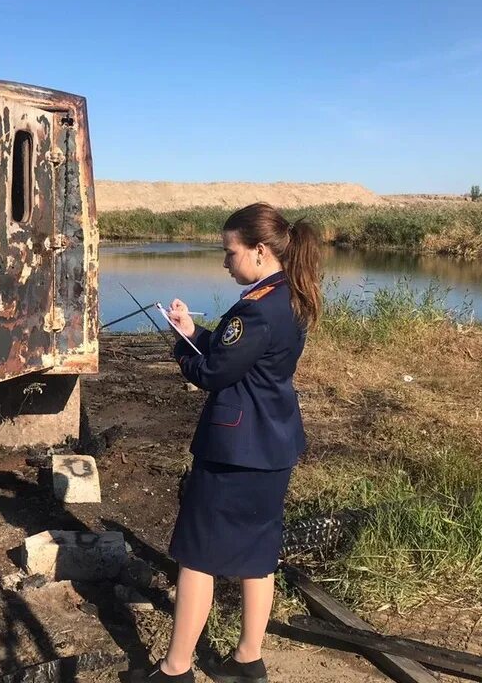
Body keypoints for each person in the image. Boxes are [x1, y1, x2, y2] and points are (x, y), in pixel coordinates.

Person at [144, 202, 322, 683]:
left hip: (235, 451)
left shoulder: (256, 308)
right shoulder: (289, 294)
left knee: (197, 557)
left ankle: (175, 670)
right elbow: (236, 354)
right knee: (257, 556)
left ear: (260, 250)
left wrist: (182, 348)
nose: (225, 261)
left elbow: (214, 371)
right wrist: (193, 331)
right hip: (273, 444)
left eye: (230, 251)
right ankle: (248, 659)